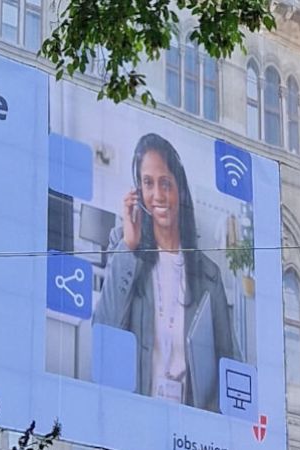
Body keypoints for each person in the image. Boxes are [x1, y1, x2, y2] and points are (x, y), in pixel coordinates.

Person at [96, 133, 237, 412]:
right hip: (135, 414)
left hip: (189, 429)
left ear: (179, 190)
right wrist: (130, 247)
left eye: (165, 183)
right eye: (148, 183)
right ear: (138, 191)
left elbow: (228, 361)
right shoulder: (124, 248)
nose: (158, 195)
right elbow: (103, 331)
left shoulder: (208, 275)